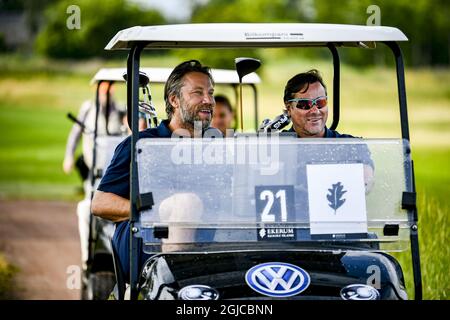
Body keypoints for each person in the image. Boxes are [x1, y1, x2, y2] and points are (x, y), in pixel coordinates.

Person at [91, 60, 220, 279]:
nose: (208, 100)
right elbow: (100, 203)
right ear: (174, 100)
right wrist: (154, 208)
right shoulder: (143, 143)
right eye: (198, 93)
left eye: (211, 93)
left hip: (209, 244)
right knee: (186, 204)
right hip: (145, 242)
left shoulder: (218, 146)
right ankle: (173, 284)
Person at [62, 81, 124, 271]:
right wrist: (69, 156)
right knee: (87, 209)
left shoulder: (120, 110)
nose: (106, 93)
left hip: (114, 169)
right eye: (104, 89)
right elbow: (75, 134)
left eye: (109, 89)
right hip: (95, 170)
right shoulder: (88, 109)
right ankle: (87, 257)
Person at [283, 69, 374, 192]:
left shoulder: (351, 146)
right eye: (305, 104)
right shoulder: (276, 147)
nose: (315, 111)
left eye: (320, 102)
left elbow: (366, 182)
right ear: (289, 108)